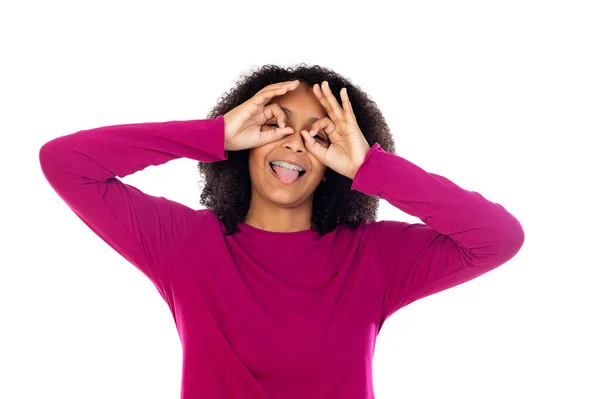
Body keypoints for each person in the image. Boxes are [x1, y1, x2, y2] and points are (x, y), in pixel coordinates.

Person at [39, 64, 525, 399]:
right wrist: (214, 136)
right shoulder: (183, 244)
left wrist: (369, 167)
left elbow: (497, 236)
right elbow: (65, 163)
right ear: (247, 141)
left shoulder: (374, 256)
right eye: (275, 124)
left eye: (319, 134)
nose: (294, 142)